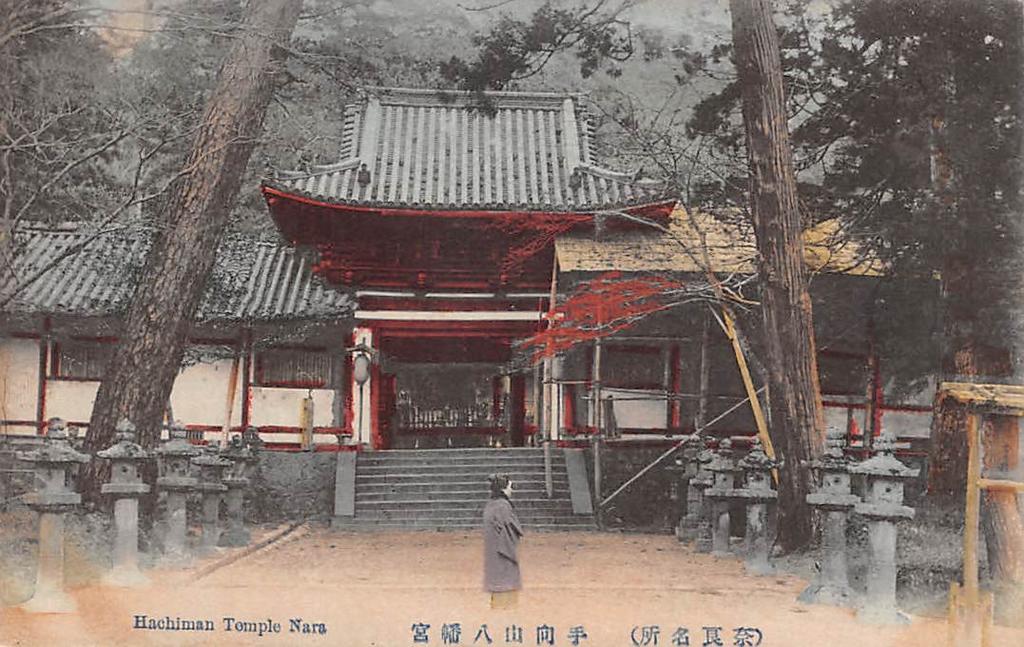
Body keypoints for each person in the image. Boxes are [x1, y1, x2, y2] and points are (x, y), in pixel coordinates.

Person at [482, 473, 523, 609]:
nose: (511, 490)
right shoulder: (503, 506)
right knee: (505, 582)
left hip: (493, 550)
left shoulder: (492, 505)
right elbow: (509, 529)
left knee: (498, 582)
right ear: (504, 489)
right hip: (502, 550)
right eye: (510, 487)